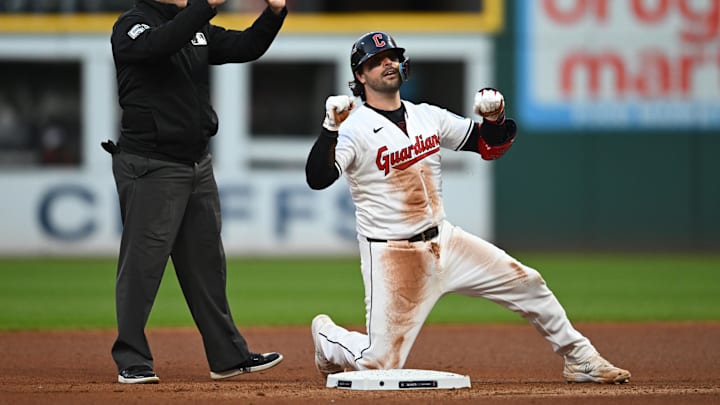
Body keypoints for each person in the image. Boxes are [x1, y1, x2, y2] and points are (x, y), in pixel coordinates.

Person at [305, 31, 631, 384]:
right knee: (378, 367)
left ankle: (579, 357)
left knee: (529, 283)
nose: (387, 63)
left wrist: (495, 119)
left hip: (446, 240)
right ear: (359, 76)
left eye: (392, 56)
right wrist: (329, 129)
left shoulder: (426, 116)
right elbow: (318, 178)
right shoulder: (352, 129)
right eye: (375, 61)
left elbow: (489, 146)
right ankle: (328, 338)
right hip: (394, 255)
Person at [103, 0, 287, 384]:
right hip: (151, 165)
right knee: (142, 267)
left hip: (196, 164)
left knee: (207, 267)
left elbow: (246, 47)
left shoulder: (193, 26)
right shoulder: (132, 25)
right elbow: (159, 45)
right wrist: (203, 8)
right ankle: (131, 358)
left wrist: (274, 14)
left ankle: (228, 356)